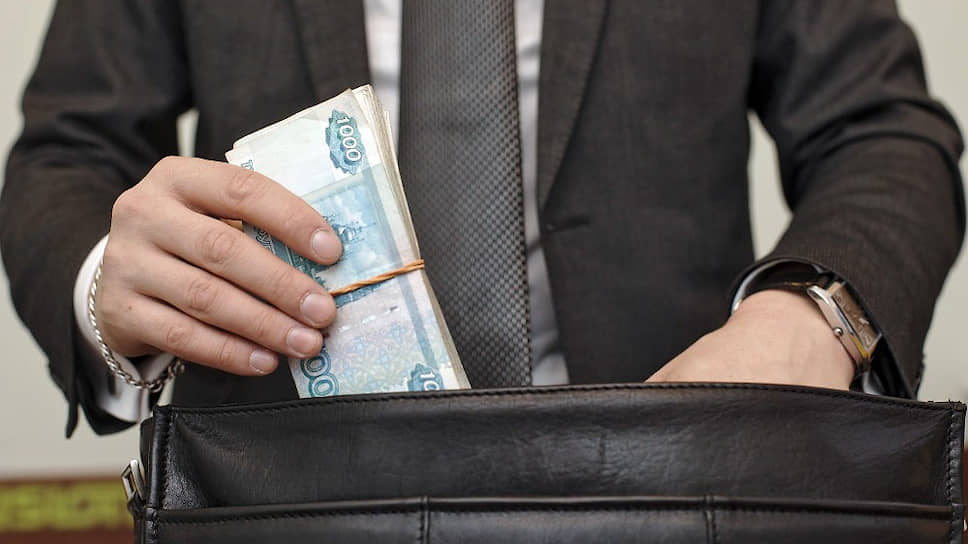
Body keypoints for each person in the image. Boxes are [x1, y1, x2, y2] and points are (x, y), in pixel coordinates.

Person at [0, 0, 962, 437]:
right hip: (281, 491)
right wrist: (105, 290)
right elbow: (69, 154)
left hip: (671, 475)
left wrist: (811, 316)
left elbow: (880, 131)